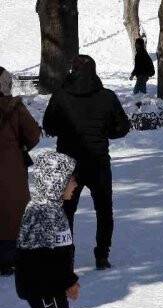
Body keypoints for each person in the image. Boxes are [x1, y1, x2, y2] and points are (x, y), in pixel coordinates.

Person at [42, 55, 130, 270]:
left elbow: (49, 126)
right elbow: (122, 127)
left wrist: (67, 130)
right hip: (98, 160)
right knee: (103, 209)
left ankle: (66, 255)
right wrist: (104, 131)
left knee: (66, 211)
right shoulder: (106, 97)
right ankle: (102, 255)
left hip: (68, 162)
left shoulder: (61, 96)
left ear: (73, 70)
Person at [14, 151, 85, 308]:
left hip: (46, 284)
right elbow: (46, 258)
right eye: (71, 179)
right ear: (56, 181)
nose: (76, 184)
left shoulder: (50, 208)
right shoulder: (45, 212)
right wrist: (69, 282)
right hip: (46, 287)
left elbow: (57, 251)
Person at [0, 66, 42, 276]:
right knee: (12, 211)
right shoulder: (15, 108)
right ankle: (9, 259)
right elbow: (34, 134)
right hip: (11, 169)